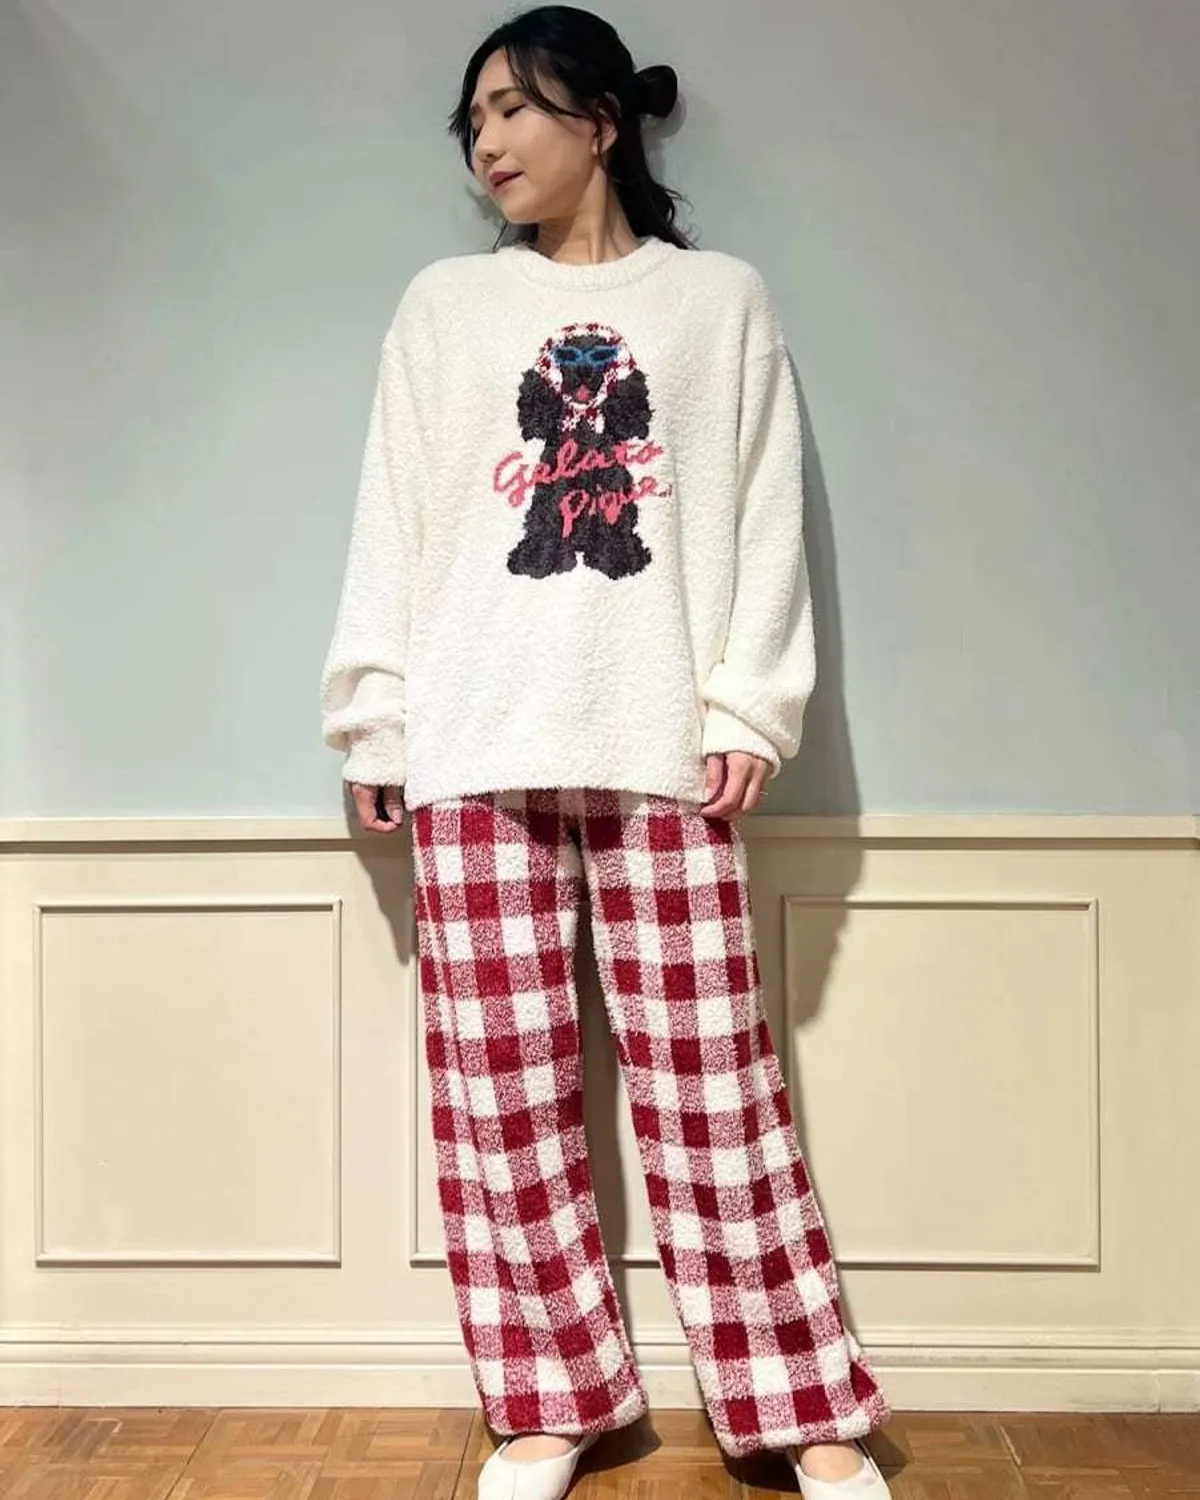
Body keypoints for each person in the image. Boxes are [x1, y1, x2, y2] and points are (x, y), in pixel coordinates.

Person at [319, 7, 894, 1498]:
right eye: (472, 121)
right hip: (473, 736)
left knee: (713, 1089)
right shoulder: (446, 307)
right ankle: (548, 1404)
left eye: (515, 107)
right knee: (500, 1100)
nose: (489, 142)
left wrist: (751, 706)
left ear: (602, 120)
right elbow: (396, 515)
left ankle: (798, 1403)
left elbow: (763, 511)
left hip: (658, 740)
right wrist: (376, 711)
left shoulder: (716, 302)